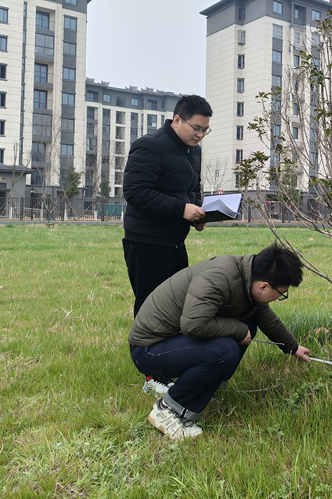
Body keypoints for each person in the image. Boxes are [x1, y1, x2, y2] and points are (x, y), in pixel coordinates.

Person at [128, 243, 311, 440]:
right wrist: (238, 330)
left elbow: (263, 316)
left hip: (174, 339)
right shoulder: (220, 278)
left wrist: (292, 347)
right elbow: (193, 325)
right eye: (281, 294)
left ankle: (206, 387)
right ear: (263, 286)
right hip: (149, 349)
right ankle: (169, 410)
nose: (278, 298)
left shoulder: (246, 276)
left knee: (247, 326)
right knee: (225, 350)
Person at [122, 95, 212, 395]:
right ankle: (151, 375)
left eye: (205, 130)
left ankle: (170, 361)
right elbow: (135, 192)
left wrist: (198, 214)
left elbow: (192, 189)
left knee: (177, 304)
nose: (200, 135)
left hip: (175, 241)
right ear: (176, 120)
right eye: (196, 128)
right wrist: (181, 209)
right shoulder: (149, 146)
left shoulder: (192, 151)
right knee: (151, 306)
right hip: (145, 240)